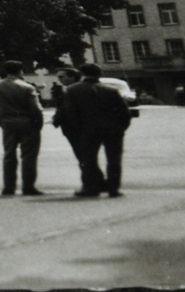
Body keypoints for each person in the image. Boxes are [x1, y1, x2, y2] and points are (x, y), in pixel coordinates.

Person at [54, 62, 132, 197]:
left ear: (82, 74)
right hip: (112, 129)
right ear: (100, 74)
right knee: (113, 160)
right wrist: (120, 128)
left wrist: (79, 128)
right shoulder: (111, 90)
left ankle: (91, 188)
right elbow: (124, 113)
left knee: (88, 159)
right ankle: (113, 189)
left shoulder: (72, 90)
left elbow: (71, 112)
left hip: (88, 129)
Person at [0, 60, 46, 196]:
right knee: (29, 155)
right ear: (20, 71)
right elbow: (36, 109)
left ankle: (9, 187)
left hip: (7, 122)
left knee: (9, 154)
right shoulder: (27, 87)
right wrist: (38, 124)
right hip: (27, 122)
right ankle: (28, 187)